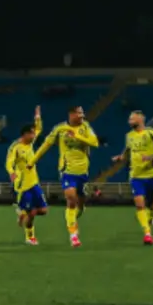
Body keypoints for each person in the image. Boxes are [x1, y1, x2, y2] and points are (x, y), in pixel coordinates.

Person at [32, 104, 98, 247]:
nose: (82, 115)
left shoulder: (85, 127)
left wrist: (78, 136)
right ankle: (73, 235)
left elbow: (95, 142)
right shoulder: (60, 129)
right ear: (71, 114)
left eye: (82, 113)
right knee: (70, 198)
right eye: (79, 113)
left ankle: (80, 208)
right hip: (67, 170)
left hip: (82, 170)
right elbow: (46, 145)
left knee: (79, 200)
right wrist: (33, 161)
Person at [112, 111, 153, 245]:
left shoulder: (151, 133)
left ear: (140, 119)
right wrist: (120, 158)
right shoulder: (129, 136)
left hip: (151, 174)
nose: (129, 121)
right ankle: (147, 233)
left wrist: (150, 157)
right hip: (135, 175)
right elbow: (126, 153)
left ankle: (148, 220)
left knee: (151, 203)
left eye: (131, 118)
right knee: (139, 203)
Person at [6, 115, 46, 245]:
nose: (34, 135)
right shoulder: (15, 147)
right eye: (32, 134)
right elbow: (9, 162)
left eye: (34, 133)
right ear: (25, 134)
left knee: (44, 211)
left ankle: (22, 212)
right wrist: (12, 172)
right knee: (32, 212)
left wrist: (38, 117)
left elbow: (39, 128)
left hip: (35, 182)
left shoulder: (30, 143)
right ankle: (30, 237)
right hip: (23, 186)